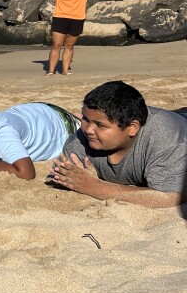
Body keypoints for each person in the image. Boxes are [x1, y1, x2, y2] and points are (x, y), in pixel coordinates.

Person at [50, 81, 187, 208]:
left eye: (100, 125)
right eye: (85, 119)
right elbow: (61, 178)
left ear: (132, 128)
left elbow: (172, 196)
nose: (89, 130)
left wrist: (95, 187)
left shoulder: (167, 139)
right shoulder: (80, 142)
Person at [43, 0, 100, 76]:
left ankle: (65, 71)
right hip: (60, 17)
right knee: (57, 45)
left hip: (77, 19)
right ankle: (50, 71)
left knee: (69, 46)